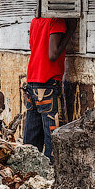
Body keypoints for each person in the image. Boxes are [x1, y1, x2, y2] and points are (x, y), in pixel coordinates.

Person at [24, 16, 75, 163]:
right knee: (51, 134)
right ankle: (49, 171)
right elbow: (52, 55)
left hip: (32, 81)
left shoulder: (35, 20)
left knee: (31, 134)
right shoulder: (56, 21)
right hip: (47, 83)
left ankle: (27, 169)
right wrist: (70, 31)